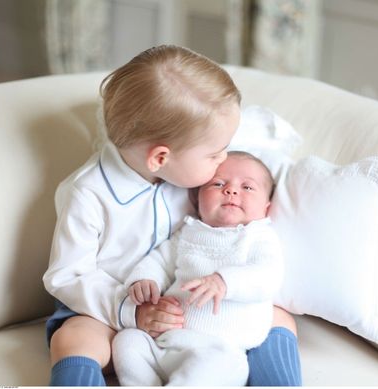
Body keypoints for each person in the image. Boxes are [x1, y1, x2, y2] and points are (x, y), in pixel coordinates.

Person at [43, 45, 301, 386]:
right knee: (74, 337)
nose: (223, 159)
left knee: (279, 318)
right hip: (111, 310)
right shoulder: (88, 194)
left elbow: (242, 141)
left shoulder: (192, 170)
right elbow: (66, 276)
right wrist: (132, 311)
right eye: (215, 154)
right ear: (160, 158)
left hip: (196, 309)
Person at [113, 151, 283, 386]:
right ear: (197, 198)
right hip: (165, 341)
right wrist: (144, 280)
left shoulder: (259, 237)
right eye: (218, 183)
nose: (231, 191)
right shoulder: (189, 232)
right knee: (127, 341)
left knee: (229, 365)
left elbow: (269, 276)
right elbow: (159, 261)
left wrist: (224, 282)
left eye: (247, 187)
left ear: (266, 207)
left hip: (219, 348)